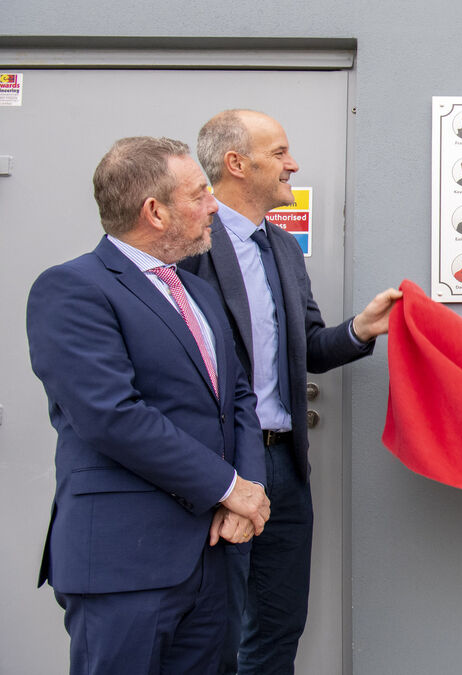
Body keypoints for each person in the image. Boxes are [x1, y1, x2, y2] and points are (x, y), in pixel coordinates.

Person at [27, 136, 272, 674]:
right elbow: (112, 415)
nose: (214, 206)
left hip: (214, 554)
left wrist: (246, 493)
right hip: (125, 562)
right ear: (155, 212)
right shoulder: (72, 289)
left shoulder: (197, 291)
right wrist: (228, 488)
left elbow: (236, 396)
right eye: (200, 194)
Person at [182, 109, 402, 674]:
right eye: (280, 152)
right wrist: (219, 479)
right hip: (218, 468)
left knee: (278, 629)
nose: (293, 164)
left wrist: (361, 330)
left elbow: (307, 347)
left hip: (284, 466)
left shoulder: (281, 246)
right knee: (212, 632)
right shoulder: (187, 245)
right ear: (237, 163)